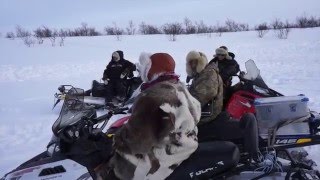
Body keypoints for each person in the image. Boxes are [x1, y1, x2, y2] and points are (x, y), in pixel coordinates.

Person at [100, 52, 201, 180]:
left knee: (110, 172)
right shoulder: (179, 87)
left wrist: (116, 140)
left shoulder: (153, 98)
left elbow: (138, 144)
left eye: (145, 67)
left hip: (163, 157)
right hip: (183, 148)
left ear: (151, 69)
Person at [186, 50, 261, 162]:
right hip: (205, 116)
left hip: (207, 119)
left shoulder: (208, 75)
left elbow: (198, 99)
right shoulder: (202, 74)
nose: (191, 66)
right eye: (190, 63)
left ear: (199, 63)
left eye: (193, 63)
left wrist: (181, 105)